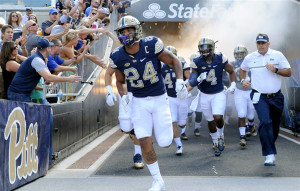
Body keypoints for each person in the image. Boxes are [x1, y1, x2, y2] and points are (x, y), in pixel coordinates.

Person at [108, 15, 188, 191]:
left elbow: (175, 61)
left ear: (137, 30)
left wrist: (180, 81)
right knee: (144, 140)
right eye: (123, 32)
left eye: (129, 30)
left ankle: (163, 144)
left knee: (166, 142)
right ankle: (158, 180)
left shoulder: (151, 45)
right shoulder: (118, 56)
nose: (127, 34)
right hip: (138, 102)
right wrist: (124, 95)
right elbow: (120, 81)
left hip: (159, 99)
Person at [239, 33, 291, 166]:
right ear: (256, 44)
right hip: (259, 96)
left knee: (274, 126)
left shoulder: (277, 55)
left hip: (276, 97)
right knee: (265, 121)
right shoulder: (250, 57)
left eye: (263, 43)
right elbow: (242, 70)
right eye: (258, 43)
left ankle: (269, 144)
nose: (261, 45)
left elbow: (288, 72)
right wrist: (243, 80)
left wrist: (275, 69)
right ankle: (269, 154)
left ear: (268, 43)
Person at [188, 37, 237, 156]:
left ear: (212, 47)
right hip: (204, 94)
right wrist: (197, 79)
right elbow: (192, 78)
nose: (204, 50)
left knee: (218, 117)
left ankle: (221, 136)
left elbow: (232, 71)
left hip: (218, 93)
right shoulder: (197, 61)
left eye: (206, 48)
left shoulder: (220, 58)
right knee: (210, 120)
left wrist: (233, 84)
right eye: (201, 48)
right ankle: (215, 142)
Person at [7, 38, 81, 102]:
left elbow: (47, 78)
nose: (51, 49)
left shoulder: (40, 59)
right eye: (50, 47)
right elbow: (48, 77)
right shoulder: (37, 60)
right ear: (47, 49)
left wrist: (48, 82)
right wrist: (68, 79)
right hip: (18, 94)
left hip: (22, 93)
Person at [161, 45, 189, 155]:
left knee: (182, 123)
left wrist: (184, 86)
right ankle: (179, 145)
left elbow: (189, 76)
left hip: (182, 98)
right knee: (173, 122)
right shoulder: (161, 67)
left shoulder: (181, 63)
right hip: (170, 98)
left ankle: (183, 128)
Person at [231, 45, 256, 147]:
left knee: (251, 114)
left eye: (241, 53)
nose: (239, 55)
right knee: (241, 114)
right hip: (239, 90)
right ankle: (242, 137)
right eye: (237, 54)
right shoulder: (232, 64)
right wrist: (231, 85)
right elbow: (229, 75)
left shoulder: (252, 62)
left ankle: (251, 124)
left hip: (251, 90)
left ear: (245, 53)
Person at [181, 52, 202, 140]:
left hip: (198, 93)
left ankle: (196, 128)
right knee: (187, 112)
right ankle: (183, 131)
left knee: (199, 112)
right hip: (188, 94)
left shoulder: (202, 68)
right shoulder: (188, 69)